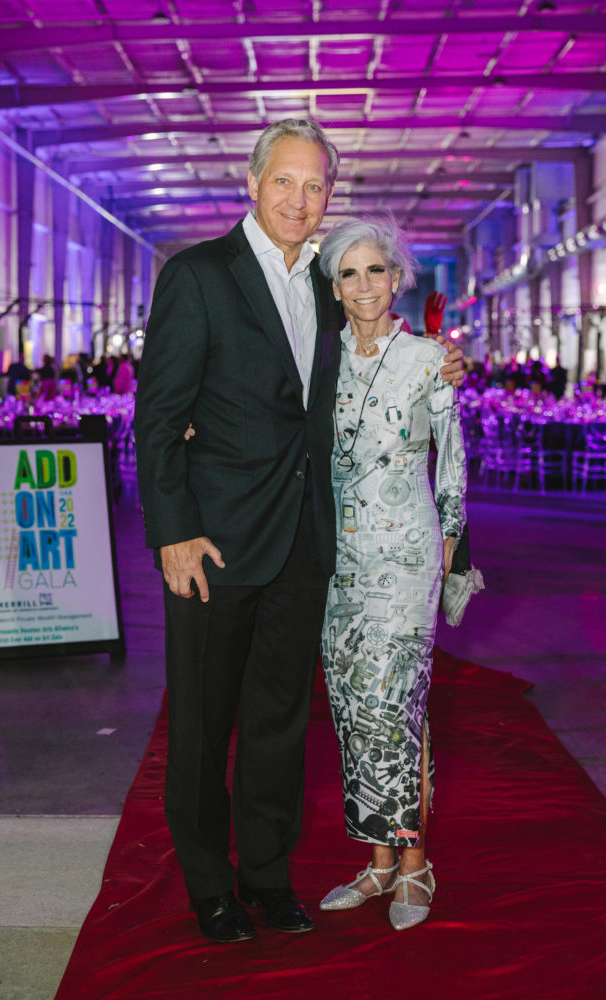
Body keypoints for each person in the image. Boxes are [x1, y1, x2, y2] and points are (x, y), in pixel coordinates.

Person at [134, 118, 464, 945]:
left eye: (315, 184)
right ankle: (210, 887)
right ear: (251, 184)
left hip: (305, 544)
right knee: (206, 725)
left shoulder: (326, 281)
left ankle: (267, 878)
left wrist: (436, 361)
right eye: (284, 181)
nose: (299, 198)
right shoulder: (198, 275)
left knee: (279, 723)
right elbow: (157, 417)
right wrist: (172, 533)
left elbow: (369, 343)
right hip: (212, 545)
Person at [316, 217, 467, 931]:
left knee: (394, 709)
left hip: (406, 556)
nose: (363, 285)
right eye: (348, 273)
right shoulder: (320, 360)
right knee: (352, 711)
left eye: (376, 270)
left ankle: (414, 865)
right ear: (334, 286)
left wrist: (451, 545)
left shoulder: (428, 359)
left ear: (397, 278)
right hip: (336, 560)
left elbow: (452, 458)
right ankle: (375, 863)